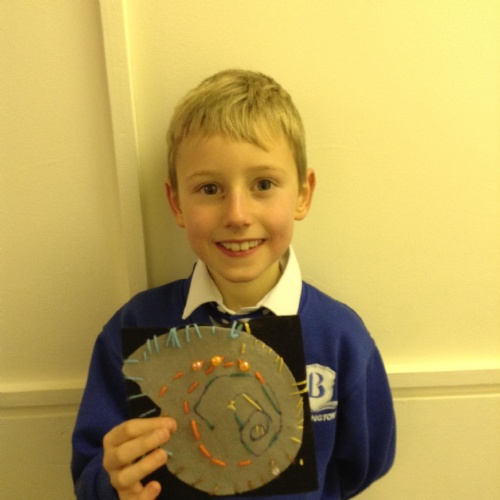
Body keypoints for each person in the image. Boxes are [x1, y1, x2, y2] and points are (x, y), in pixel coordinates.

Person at [71, 69, 396, 499]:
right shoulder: (133, 326)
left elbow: (362, 464)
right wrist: (112, 484)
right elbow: (94, 469)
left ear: (302, 194)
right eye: (210, 189)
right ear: (176, 202)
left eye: (263, 184)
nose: (237, 215)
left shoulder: (340, 337)